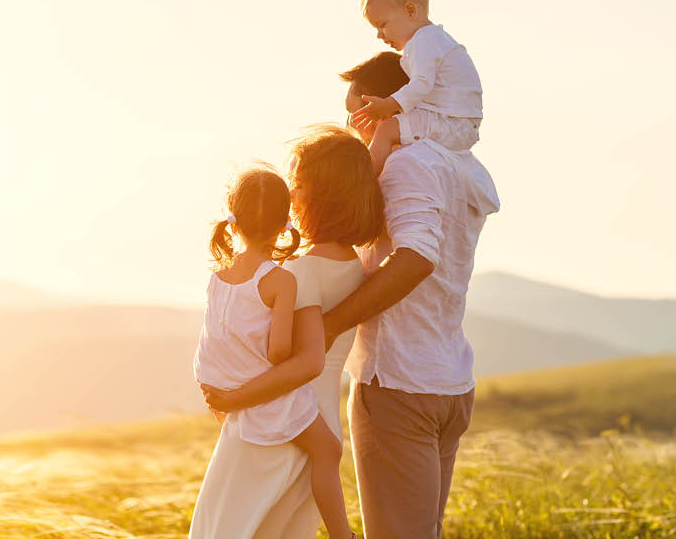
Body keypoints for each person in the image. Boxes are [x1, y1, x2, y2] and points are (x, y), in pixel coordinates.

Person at [204, 52, 500, 539]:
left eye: (356, 111)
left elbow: (416, 259)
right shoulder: (449, 166)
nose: (351, 124)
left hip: (391, 385)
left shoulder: (407, 169)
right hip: (446, 377)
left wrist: (328, 326)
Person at [190, 137, 384, 537]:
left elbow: (293, 356)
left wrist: (233, 398)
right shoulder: (352, 263)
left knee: (237, 523)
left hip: (283, 411)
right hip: (321, 409)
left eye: (299, 185)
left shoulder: (297, 274)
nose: (293, 193)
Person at [349, 0, 484, 177]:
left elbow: (422, 84)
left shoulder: (423, 41)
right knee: (396, 126)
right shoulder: (436, 39)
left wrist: (388, 105)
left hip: (452, 122)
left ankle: (363, 182)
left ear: (411, 11)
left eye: (382, 25)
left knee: (385, 130)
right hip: (460, 122)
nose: (379, 35)